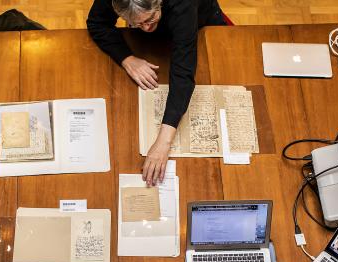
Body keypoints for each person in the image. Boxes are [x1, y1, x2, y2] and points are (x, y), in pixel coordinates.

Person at [87, 0, 232, 186]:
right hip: (151, 45)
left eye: (150, 19)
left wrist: (163, 143)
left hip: (198, 25)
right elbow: (97, 23)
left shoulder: (183, 5)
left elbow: (182, 75)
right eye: (138, 23)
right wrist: (126, 58)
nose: (146, 28)